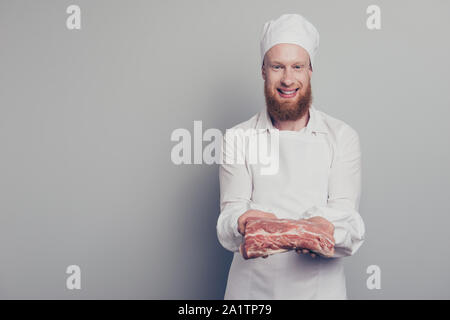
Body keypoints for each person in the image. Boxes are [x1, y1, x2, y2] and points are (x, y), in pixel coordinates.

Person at [216, 13, 365, 299]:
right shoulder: (237, 137)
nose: (287, 79)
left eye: (297, 66)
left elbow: (348, 221)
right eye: (277, 67)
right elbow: (228, 220)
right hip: (252, 292)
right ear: (263, 71)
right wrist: (242, 222)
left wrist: (320, 228)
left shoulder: (342, 137)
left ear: (311, 70)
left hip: (320, 290)